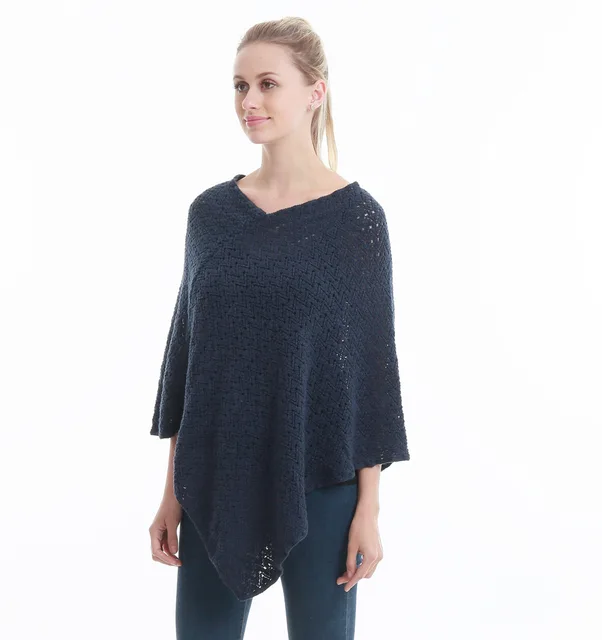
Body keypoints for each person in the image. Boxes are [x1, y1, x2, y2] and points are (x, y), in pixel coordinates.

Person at [148, 16, 410, 640]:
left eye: (268, 84)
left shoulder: (357, 222)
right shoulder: (211, 215)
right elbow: (190, 364)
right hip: (216, 474)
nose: (250, 101)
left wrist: (368, 511)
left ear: (315, 92)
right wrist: (171, 493)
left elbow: (369, 380)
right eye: (240, 86)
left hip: (321, 475)